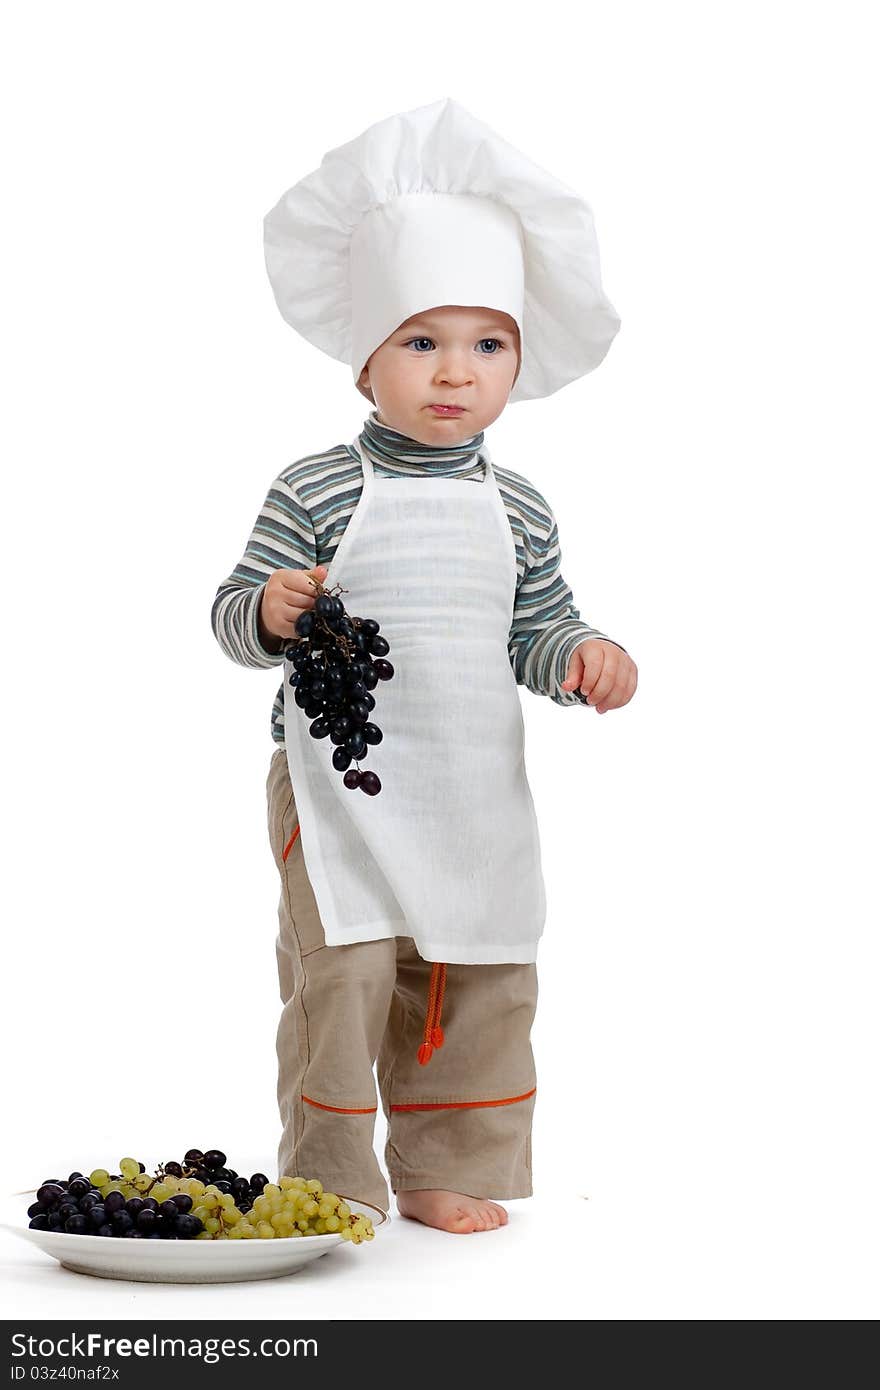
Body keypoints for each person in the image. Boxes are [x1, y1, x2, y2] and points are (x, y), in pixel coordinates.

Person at [212, 98, 638, 1234]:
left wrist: (582, 656)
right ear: (364, 364)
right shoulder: (316, 488)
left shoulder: (521, 507)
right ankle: (330, 1175)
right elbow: (226, 616)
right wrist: (268, 606)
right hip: (335, 787)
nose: (455, 372)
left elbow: (535, 628)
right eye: (421, 342)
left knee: (478, 972)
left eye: (486, 344)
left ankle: (450, 1164)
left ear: (516, 364)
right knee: (343, 974)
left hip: (472, 788)